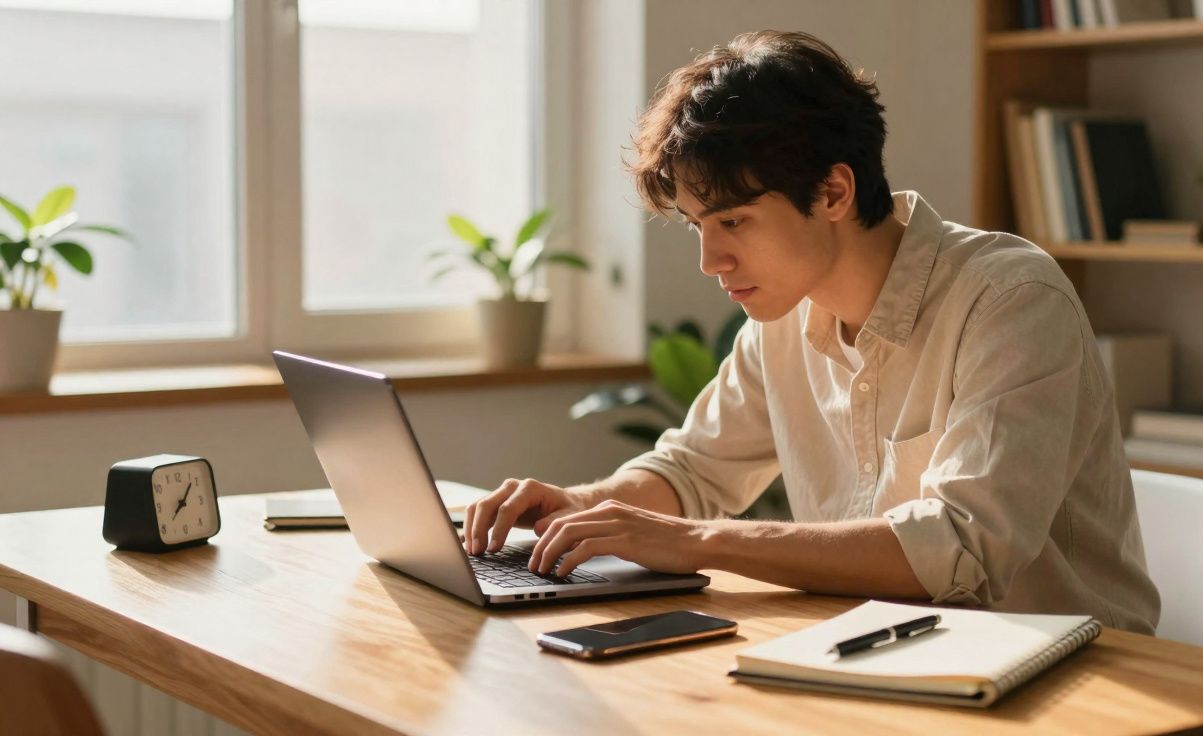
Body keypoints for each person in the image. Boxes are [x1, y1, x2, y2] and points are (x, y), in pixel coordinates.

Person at [462, 30, 1160, 634]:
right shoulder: (784, 313)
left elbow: (959, 548)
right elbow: (693, 469)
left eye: (732, 221)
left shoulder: (1010, 300)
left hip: (1068, 680)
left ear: (833, 192)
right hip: (881, 652)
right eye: (697, 228)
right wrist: (582, 506)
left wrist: (697, 542)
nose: (711, 262)